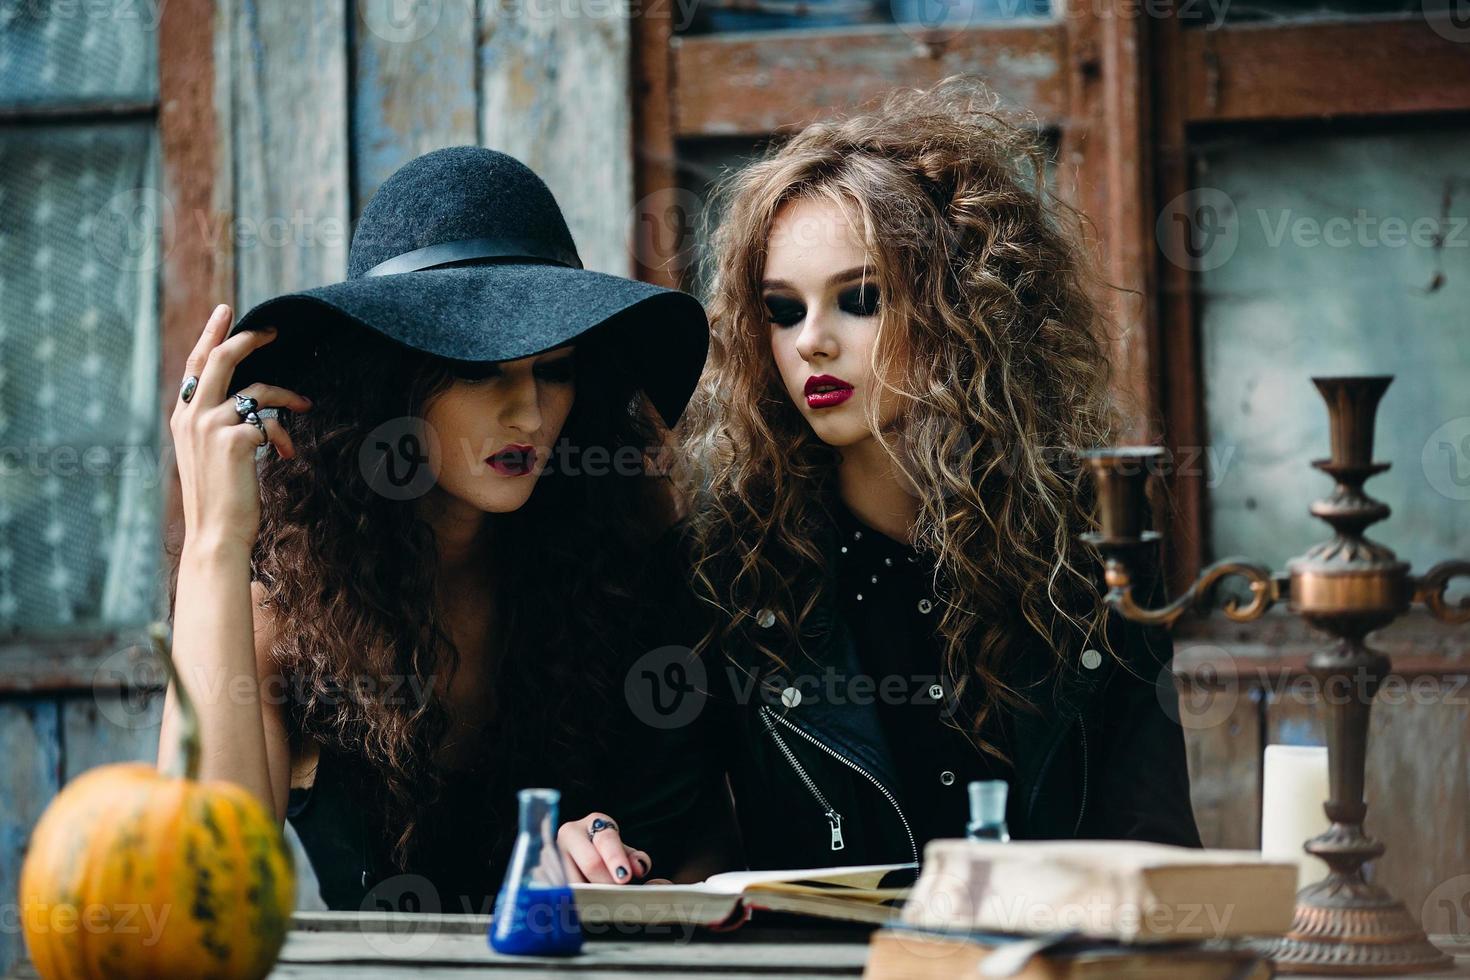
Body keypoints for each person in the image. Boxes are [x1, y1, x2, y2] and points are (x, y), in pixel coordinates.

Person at [157, 146, 716, 911]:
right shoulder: (280, 611)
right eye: (481, 368)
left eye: (554, 370)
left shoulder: (620, 564)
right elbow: (204, 895)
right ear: (388, 382)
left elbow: (707, 858)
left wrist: (605, 855)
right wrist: (214, 546)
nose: (530, 413)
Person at [671, 77, 1202, 870]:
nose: (811, 342)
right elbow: (681, 844)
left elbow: (1154, 845)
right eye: (783, 311)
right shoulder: (729, 568)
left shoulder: (1096, 547)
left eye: (859, 299)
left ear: (964, 310)